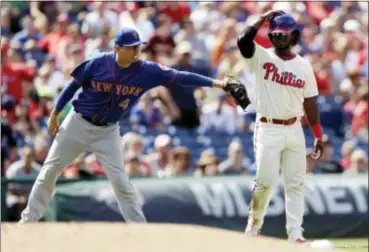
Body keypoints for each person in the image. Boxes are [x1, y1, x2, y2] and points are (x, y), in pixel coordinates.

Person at [18, 27, 229, 223]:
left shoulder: (146, 70)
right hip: (78, 123)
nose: (137, 50)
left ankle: (138, 231)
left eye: (138, 46)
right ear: (117, 48)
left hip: (107, 131)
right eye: (132, 47)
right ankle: (27, 222)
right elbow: (73, 85)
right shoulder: (98, 63)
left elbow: (180, 76)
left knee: (121, 182)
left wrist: (216, 83)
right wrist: (55, 113)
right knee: (49, 171)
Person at [236, 11, 324, 243]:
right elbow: (243, 41)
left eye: (284, 34)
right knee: (265, 182)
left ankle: (295, 234)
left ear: (293, 34)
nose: (280, 38)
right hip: (268, 128)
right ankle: (253, 228)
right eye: (275, 34)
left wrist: (318, 135)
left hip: (295, 128)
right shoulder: (261, 56)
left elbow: (310, 102)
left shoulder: (303, 65)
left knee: (295, 183)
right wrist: (263, 18)